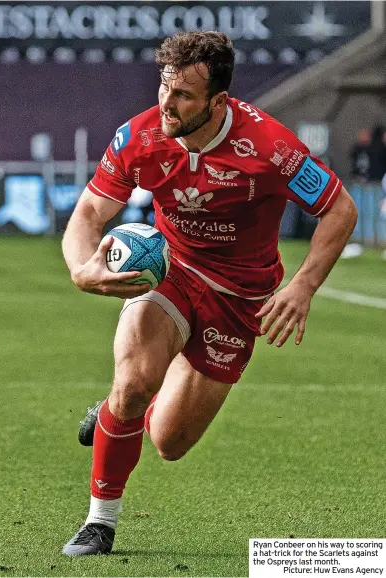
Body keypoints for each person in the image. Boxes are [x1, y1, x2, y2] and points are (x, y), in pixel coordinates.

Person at [61, 31, 357, 556]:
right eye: (163, 88)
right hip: (171, 270)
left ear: (218, 101)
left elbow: (340, 209)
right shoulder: (140, 137)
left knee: (169, 442)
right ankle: (99, 520)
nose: (166, 105)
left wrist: (304, 285)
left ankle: (116, 415)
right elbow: (88, 212)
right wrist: (83, 270)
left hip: (242, 296)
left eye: (183, 96)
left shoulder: (269, 147)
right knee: (133, 385)